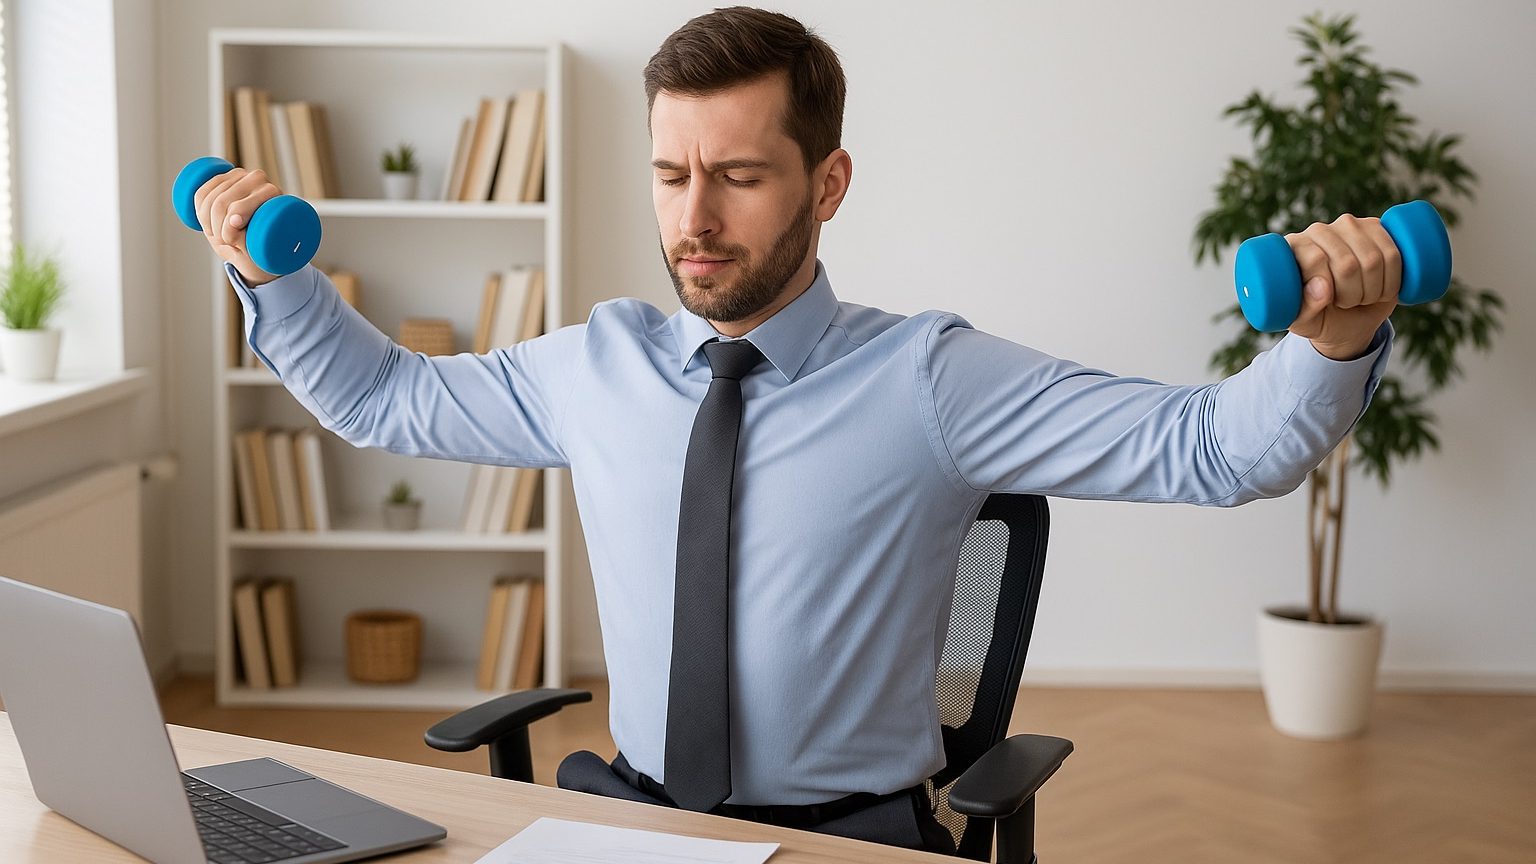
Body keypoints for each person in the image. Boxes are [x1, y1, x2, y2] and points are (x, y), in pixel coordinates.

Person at [195, 6, 1395, 854]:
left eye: (740, 176)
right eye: (670, 174)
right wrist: (273, 280)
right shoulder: (599, 365)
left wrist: (1331, 339)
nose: (695, 218)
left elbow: (1212, 447)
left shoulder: (929, 378)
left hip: (849, 841)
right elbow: (385, 398)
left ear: (827, 184)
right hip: (632, 821)